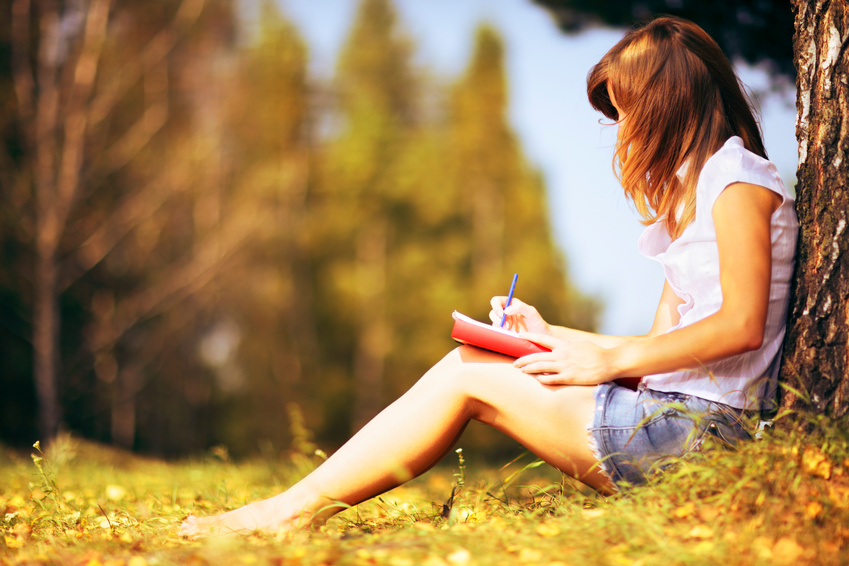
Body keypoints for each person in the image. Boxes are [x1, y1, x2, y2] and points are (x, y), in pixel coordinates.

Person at [179, 15, 798, 537]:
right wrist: (551, 337)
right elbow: (652, 356)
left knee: (464, 376)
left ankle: (284, 512)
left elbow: (739, 326)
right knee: (478, 361)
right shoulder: (693, 204)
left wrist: (605, 364)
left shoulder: (738, 182)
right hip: (669, 415)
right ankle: (288, 509)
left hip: (700, 434)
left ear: (666, 103)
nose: (622, 130)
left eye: (627, 110)